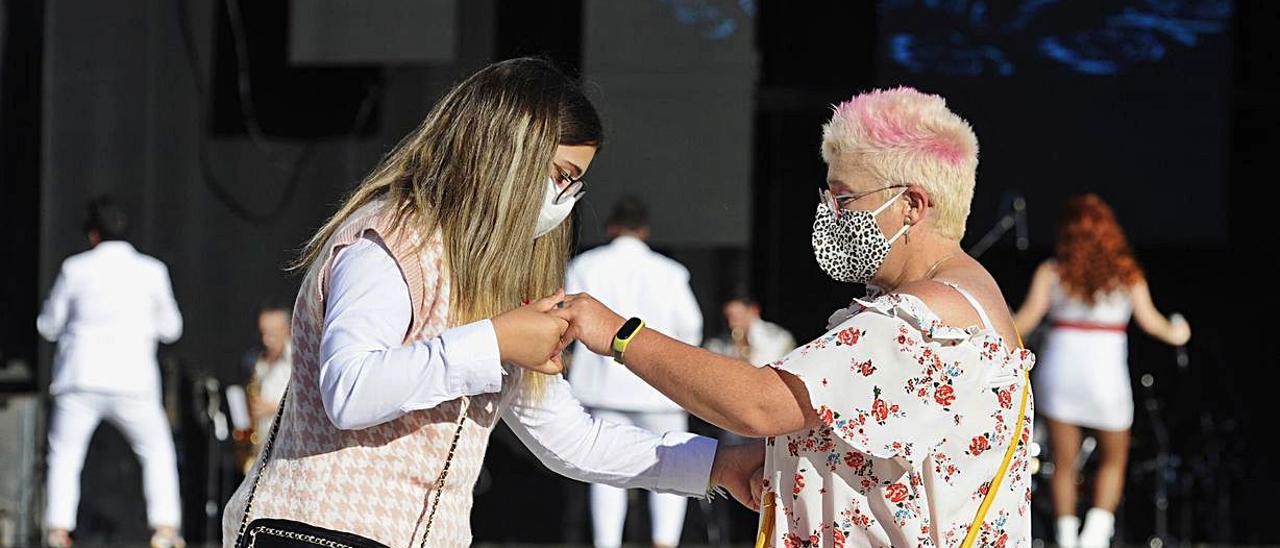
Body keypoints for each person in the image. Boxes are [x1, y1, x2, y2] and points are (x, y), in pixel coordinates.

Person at [220, 58, 756, 548]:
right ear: (508, 152)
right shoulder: (389, 241)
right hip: (315, 532)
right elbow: (351, 389)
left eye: (577, 185)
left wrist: (717, 465)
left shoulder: (493, 280)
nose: (566, 200)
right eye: (562, 175)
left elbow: (572, 438)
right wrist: (494, 340)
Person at [554, 87, 1037, 547]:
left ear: (911, 205)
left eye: (845, 199)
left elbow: (759, 405)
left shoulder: (923, 318)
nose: (831, 214)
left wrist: (619, 335)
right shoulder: (968, 298)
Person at [1013, 193, 1190, 548]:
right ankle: (1094, 538)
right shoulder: (1127, 274)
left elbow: (1023, 323)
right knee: (1113, 459)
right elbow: (1154, 324)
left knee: (1064, 464)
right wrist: (1179, 330)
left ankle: (1066, 539)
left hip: (1060, 372)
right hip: (1105, 377)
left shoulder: (1052, 272)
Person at [37, 196, 185, 548]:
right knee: (157, 451)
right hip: (133, 380)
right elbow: (172, 328)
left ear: (92, 235)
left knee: (65, 454)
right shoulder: (151, 271)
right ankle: (164, 530)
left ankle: (58, 530)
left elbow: (48, 325)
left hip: (81, 378)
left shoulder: (75, 269)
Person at [565, 196, 704, 548]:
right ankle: (664, 542)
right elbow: (691, 326)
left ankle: (607, 543)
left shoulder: (585, 265)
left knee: (605, 472)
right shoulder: (670, 272)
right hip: (660, 389)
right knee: (673, 467)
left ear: (611, 227)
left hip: (603, 387)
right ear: (644, 230)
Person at [236, 306, 293, 472]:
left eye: (273, 333)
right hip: (259, 447)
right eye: (263, 333)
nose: (266, 340)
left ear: (287, 329)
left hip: (285, 449)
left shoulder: (297, 360)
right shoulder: (254, 359)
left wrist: (273, 408)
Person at [704, 296, 796, 366]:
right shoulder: (717, 344)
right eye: (727, 318)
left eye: (738, 317)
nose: (731, 324)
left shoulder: (779, 338)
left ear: (754, 311)